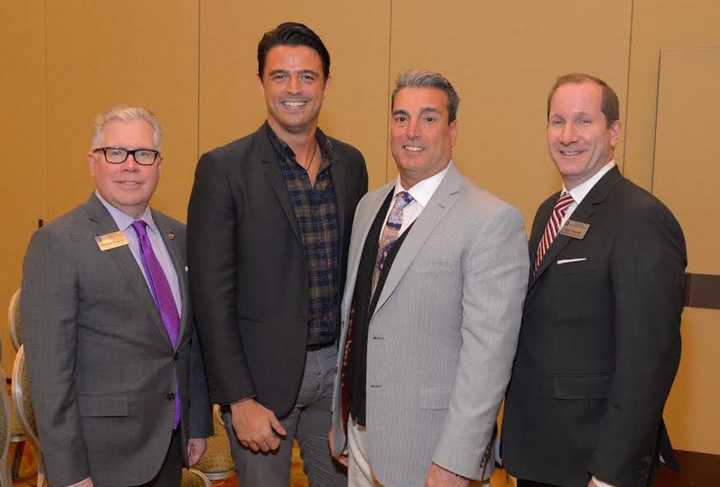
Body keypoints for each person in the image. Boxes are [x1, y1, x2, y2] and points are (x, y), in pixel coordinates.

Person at [187, 22, 367, 486]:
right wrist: (238, 399)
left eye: (307, 76)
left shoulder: (350, 165)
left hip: (334, 380)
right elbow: (211, 297)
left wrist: (353, 387)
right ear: (262, 82)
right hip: (261, 387)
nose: (294, 89)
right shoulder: (223, 169)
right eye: (279, 76)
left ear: (325, 85)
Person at [328, 70, 529, 487]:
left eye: (428, 118)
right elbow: (356, 326)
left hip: (432, 453)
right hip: (362, 441)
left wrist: (458, 459)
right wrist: (341, 416)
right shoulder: (369, 207)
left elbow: (487, 357)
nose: (411, 131)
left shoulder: (490, 220)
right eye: (401, 118)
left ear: (453, 131)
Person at [501, 73, 687, 487]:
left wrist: (611, 473)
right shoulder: (550, 210)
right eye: (557, 121)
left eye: (584, 121)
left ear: (614, 131)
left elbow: (648, 361)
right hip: (540, 453)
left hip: (592, 463)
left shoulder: (640, 218)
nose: (568, 135)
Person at [20, 106, 212, 486]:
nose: (130, 166)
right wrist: (69, 471)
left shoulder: (179, 238)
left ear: (158, 164)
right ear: (94, 162)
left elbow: (188, 345)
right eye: (116, 153)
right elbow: (49, 374)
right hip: (99, 458)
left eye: (144, 154)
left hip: (169, 446)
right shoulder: (58, 243)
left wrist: (196, 423)